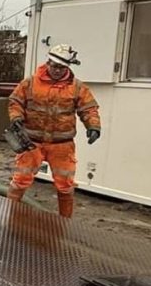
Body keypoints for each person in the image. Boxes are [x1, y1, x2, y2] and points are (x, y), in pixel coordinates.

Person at [7, 44, 102, 218]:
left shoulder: (77, 87)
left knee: (65, 185)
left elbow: (89, 108)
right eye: (55, 66)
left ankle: (65, 221)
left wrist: (93, 126)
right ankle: (10, 215)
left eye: (62, 67)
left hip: (62, 145)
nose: (57, 70)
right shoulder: (29, 83)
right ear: (48, 63)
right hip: (31, 143)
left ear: (67, 67)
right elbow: (16, 102)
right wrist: (16, 118)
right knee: (20, 180)